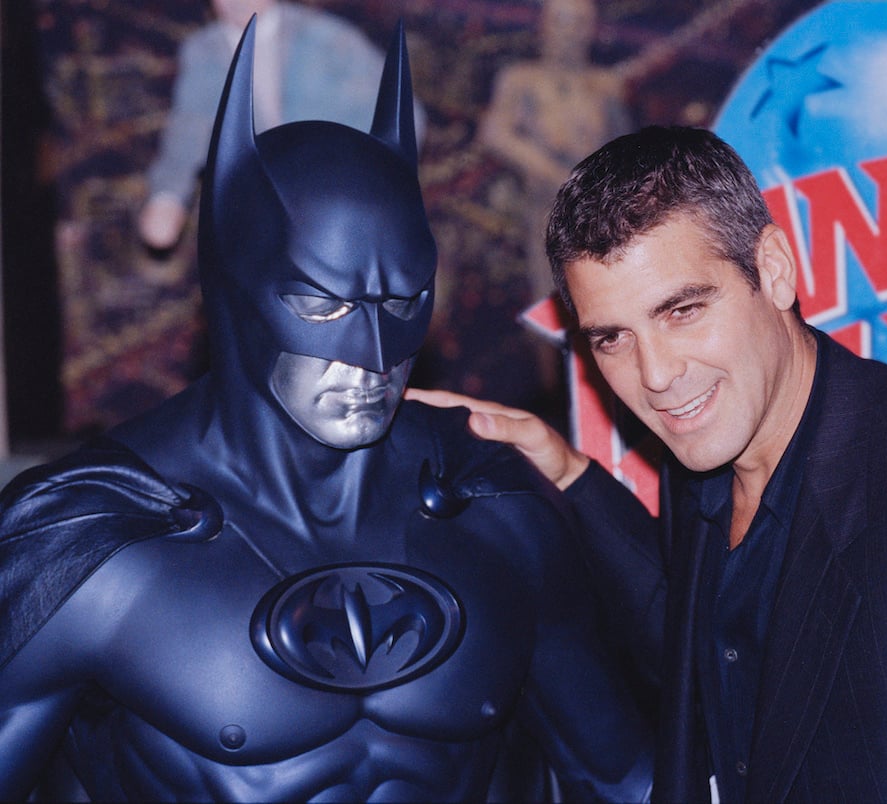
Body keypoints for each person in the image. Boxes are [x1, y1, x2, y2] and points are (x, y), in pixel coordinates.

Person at [408, 125, 887, 802]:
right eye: (611, 337)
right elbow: (703, 653)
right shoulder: (706, 475)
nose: (655, 374)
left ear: (774, 268)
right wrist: (569, 474)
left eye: (683, 310)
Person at [0, 19, 651, 801]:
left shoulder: (492, 507)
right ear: (233, 290)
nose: (373, 350)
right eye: (320, 302)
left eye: (403, 299)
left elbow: (624, 777)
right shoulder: (92, 543)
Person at [138, 0, 426, 251]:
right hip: (264, 214)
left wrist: (368, 183)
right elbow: (189, 129)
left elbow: (404, 113)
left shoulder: (325, 36)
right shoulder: (203, 50)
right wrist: (168, 196)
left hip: (342, 203)